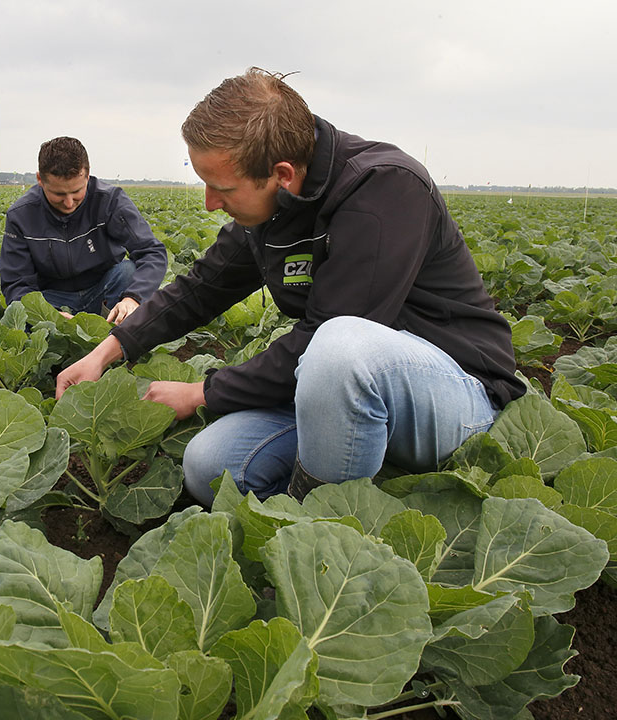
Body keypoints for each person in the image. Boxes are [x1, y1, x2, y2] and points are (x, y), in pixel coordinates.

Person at [56, 68, 525, 504]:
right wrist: (107, 351)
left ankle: (321, 519)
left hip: (453, 394)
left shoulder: (385, 189)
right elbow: (202, 287)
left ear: (280, 174)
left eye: (221, 187)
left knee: (339, 346)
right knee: (211, 469)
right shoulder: (272, 206)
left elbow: (335, 336)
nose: (209, 203)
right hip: (338, 388)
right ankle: (362, 477)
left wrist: (202, 392)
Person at [0, 137, 167, 324]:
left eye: (77, 191)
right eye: (58, 194)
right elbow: (16, 283)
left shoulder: (110, 201)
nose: (69, 203)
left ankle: (116, 332)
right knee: (18, 315)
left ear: (87, 176)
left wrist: (133, 298)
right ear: (40, 180)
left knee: (126, 271)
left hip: (103, 290)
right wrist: (50, 314)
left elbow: (152, 252)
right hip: (53, 299)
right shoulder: (21, 215)